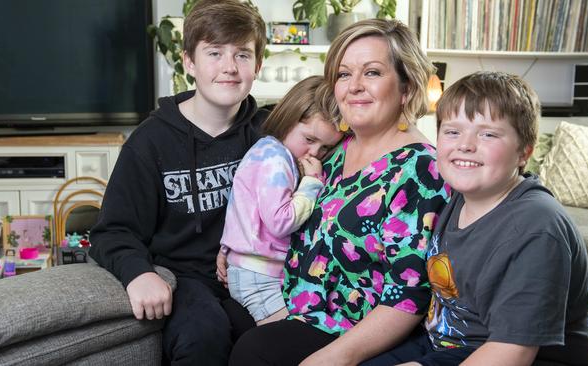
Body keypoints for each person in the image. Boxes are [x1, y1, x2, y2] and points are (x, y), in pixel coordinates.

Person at [229, 19, 450, 365]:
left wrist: (337, 357)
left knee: (252, 351)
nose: (355, 86)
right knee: (211, 326)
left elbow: (409, 294)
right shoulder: (334, 149)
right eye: (344, 75)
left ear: (406, 87)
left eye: (373, 73)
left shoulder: (421, 168)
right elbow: (285, 209)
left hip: (345, 327)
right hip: (292, 301)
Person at [365, 71, 588, 366]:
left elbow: (514, 351)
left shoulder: (536, 228)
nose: (465, 144)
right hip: (447, 340)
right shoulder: (458, 197)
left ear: (524, 151)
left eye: (488, 133)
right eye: (452, 131)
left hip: (510, 353)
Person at [88, 1, 268, 364]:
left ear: (258, 65)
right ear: (189, 62)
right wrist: (138, 273)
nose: (229, 68)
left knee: (271, 341)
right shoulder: (149, 142)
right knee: (204, 334)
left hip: (255, 273)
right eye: (214, 53)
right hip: (183, 277)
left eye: (243, 55)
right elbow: (112, 231)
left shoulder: (268, 132)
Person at [217, 75, 343, 325]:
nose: (315, 153)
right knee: (286, 333)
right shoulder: (275, 161)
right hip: (259, 275)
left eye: (326, 148)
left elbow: (243, 210)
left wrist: (227, 248)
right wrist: (312, 183)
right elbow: (280, 222)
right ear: (287, 121)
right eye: (309, 140)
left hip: (253, 268)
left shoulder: (268, 151)